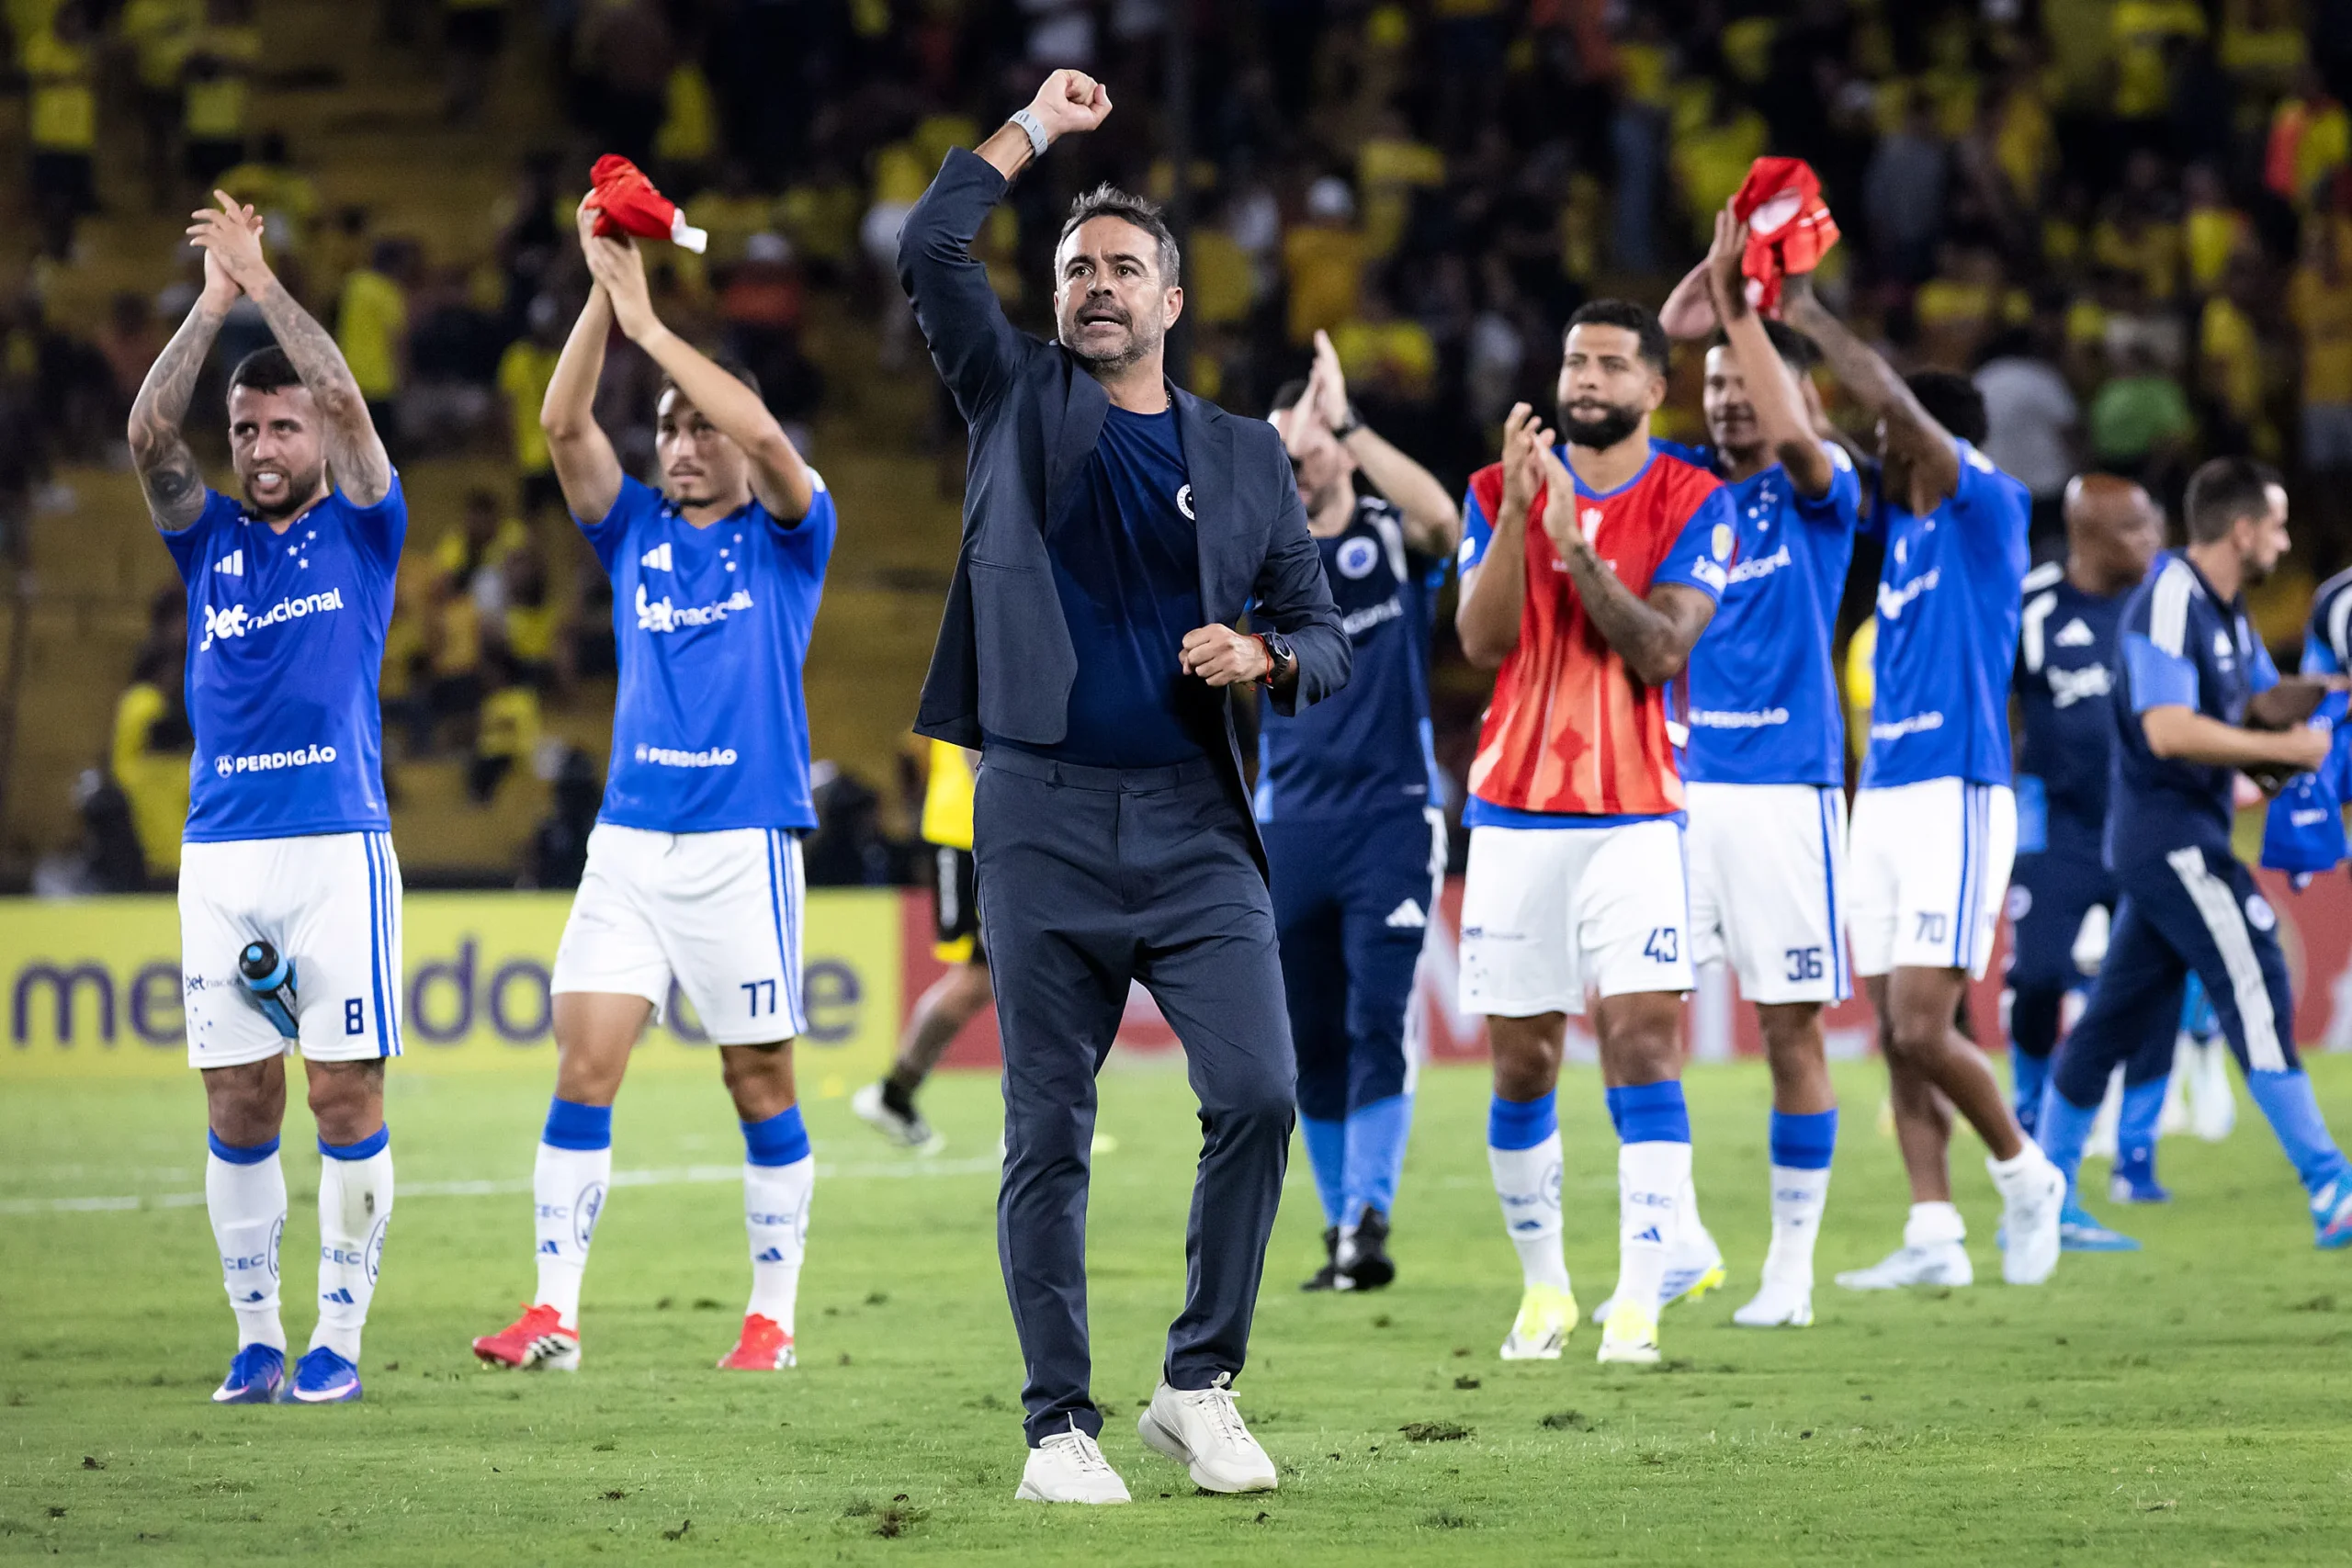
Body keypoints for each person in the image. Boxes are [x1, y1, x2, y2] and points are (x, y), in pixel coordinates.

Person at [897, 69, 1348, 1504]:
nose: (1097, 285)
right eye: (1077, 267)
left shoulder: (1243, 457)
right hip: (1040, 811)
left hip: (1197, 825)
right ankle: (1057, 1425)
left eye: (1124, 268)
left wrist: (1265, 650)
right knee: (1049, 1126)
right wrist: (1034, 129)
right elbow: (930, 248)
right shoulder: (1011, 395)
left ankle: (1197, 1382)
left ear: (1171, 302)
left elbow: (1328, 639)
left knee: (1264, 1093)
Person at [470, 193, 836, 1378]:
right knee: (583, 1067)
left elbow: (771, 437)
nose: (678, 442)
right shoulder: (631, 532)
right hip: (627, 846)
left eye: (696, 427)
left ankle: (770, 1321)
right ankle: (554, 1314)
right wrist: (602, 290)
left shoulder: (791, 534)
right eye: (668, 429)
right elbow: (562, 421)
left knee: (755, 1076)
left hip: (741, 845)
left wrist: (657, 329)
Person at [129, 192, 405, 1405]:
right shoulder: (210, 546)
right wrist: (211, 304)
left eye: (279, 426)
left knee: (342, 1089)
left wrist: (268, 282)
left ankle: (338, 1329)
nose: (261, 446)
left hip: (337, 845)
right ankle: (256, 1333)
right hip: (220, 850)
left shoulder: (364, 527)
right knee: (240, 1093)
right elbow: (148, 434)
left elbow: (347, 403)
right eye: (246, 430)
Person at [1453, 299, 1736, 1367]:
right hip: (1513, 814)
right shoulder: (1495, 490)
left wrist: (1580, 552)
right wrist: (1525, 520)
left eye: (1612, 364)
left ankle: (1636, 1300)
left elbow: (1662, 649)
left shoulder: (1693, 499)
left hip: (1635, 818)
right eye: (1574, 359)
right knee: (1521, 1064)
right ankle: (1544, 1293)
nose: (1587, 378)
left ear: (1654, 389)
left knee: (1641, 1044)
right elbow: (1482, 643)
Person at [1779, 269, 2071, 1293]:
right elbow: (1810, 436)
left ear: (1925, 440)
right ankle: (1933, 1230)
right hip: (1885, 796)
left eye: (1894, 435)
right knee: (1894, 1036)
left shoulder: (1988, 505)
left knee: (1920, 1023)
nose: (1880, 447)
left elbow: (1883, 410)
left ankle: (2028, 1174)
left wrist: (1812, 316)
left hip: (1957, 790)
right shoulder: (1896, 531)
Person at [2039, 459, 2352, 1248]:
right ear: (2243, 530)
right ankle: (2332, 1187)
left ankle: (2040, 1201)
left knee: (2111, 1019)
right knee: (2255, 973)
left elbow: (2261, 703)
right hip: (2169, 836)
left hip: (2175, 837)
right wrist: (2285, 746)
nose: (2286, 539)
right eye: (2277, 524)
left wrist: (2331, 693)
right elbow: (2166, 728)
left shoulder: (2225, 610)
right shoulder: (2173, 598)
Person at [1650, 209, 1868, 1330]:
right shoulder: (1678, 482)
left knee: (1791, 1027)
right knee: (1647, 1014)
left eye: (1751, 384)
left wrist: (1747, 311)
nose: (1729, 396)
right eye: (1718, 386)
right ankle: (1676, 1230)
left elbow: (1777, 412)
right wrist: (1727, 276)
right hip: (1677, 792)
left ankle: (1791, 1264)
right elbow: (1670, 327)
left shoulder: (1820, 490)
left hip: (1786, 793)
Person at [1262, 328, 1461, 1293]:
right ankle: (1341, 1229)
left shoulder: (1386, 536)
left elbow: (1449, 524)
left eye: (1307, 451)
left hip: (1390, 816)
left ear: (1340, 446)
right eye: (1279, 456)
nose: (1294, 470)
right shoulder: (1255, 566)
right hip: (1286, 824)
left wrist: (1344, 416)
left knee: (1378, 1016)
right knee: (1310, 1039)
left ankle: (1370, 1217)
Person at [2004, 475, 2168, 1243]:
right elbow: (1996, 699)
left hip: (2143, 825)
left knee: (2153, 990)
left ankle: (2134, 1156)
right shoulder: (2031, 603)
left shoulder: (2165, 604)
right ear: (2090, 536)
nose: (2153, 542)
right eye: (2136, 530)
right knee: (2037, 976)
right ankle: (2029, 1115)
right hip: (2058, 829)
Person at [851, 738, 988, 1151]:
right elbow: (976, 735)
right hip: (971, 831)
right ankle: (894, 1093)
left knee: (986, 977)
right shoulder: (989, 669)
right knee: (982, 976)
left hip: (975, 825)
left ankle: (894, 1094)